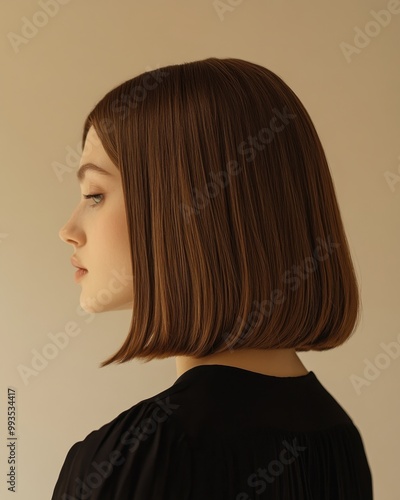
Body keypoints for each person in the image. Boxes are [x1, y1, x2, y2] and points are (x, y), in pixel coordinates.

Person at [52, 57, 373, 499]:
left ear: (187, 209)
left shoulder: (136, 456)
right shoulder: (337, 436)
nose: (68, 230)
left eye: (95, 195)